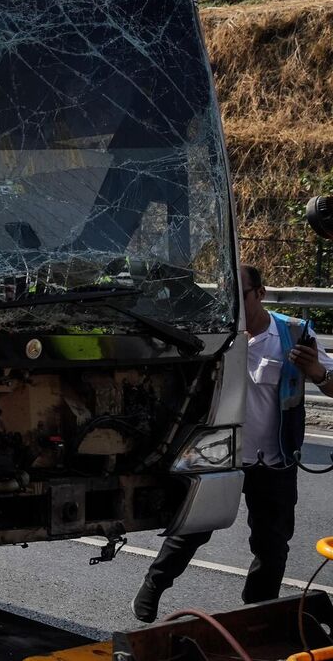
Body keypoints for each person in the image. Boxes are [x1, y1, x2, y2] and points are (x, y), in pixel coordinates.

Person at [135, 266, 333, 621]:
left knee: (272, 547)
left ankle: (255, 615)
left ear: (261, 293)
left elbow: (330, 383)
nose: (232, 305)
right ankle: (154, 585)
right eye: (226, 296)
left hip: (275, 459)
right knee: (192, 530)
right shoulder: (215, 330)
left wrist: (317, 373)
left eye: (240, 296)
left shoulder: (293, 332)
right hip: (220, 455)